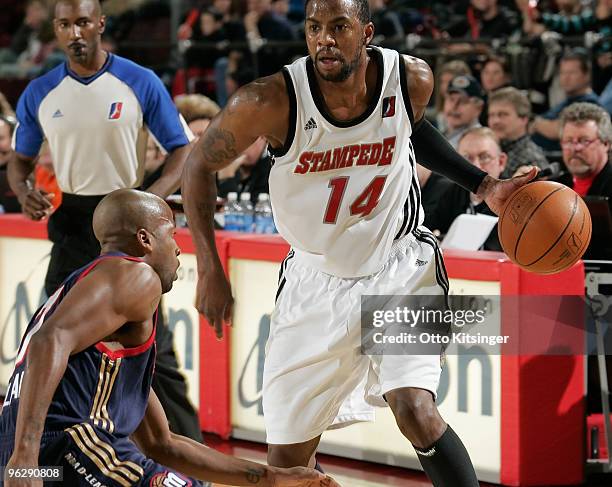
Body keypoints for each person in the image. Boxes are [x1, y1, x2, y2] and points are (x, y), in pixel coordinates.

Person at [182, 0, 536, 485]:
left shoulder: (410, 77)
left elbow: (412, 128)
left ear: (366, 32)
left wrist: (485, 186)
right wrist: (209, 267)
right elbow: (198, 166)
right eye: (314, 28)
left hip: (401, 265)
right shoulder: (269, 99)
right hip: (315, 281)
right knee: (287, 468)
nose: (324, 38)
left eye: (339, 27)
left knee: (415, 409)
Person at [0, 188, 338, 487]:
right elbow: (49, 341)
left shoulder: (96, 312)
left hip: (38, 459)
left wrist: (269, 477)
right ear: (145, 239)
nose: (178, 249)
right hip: (63, 449)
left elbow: (162, 443)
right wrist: (26, 455)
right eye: (171, 234)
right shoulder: (134, 274)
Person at [8, 0, 201, 442]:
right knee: (50, 341)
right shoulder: (40, 92)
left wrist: (148, 202)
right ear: (55, 30)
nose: (74, 32)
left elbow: (182, 150)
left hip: (127, 226)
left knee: (154, 354)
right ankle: (39, 453)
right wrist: (24, 192)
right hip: (72, 222)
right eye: (64, 24)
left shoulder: (139, 81)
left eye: (81, 22)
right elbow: (19, 162)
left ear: (100, 23)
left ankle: (192, 457)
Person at [425, 127, 506, 250]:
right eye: (467, 159)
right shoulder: (450, 192)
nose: (476, 166)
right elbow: (429, 229)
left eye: (484, 157)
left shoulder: (511, 199)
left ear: (501, 162)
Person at [531, 49, 601, 153]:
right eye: (562, 73)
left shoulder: (590, 104)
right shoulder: (564, 103)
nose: (565, 78)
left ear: (586, 75)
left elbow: (558, 131)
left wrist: (537, 123)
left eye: (571, 73)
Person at [487, 87, 549, 179]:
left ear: (524, 119)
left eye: (503, 114)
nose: (495, 121)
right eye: (491, 115)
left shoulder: (533, 161)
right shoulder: (488, 149)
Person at [442, 74, 485, 148]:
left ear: (478, 108)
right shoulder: (443, 134)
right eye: (451, 99)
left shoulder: (480, 141)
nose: (454, 106)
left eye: (463, 101)